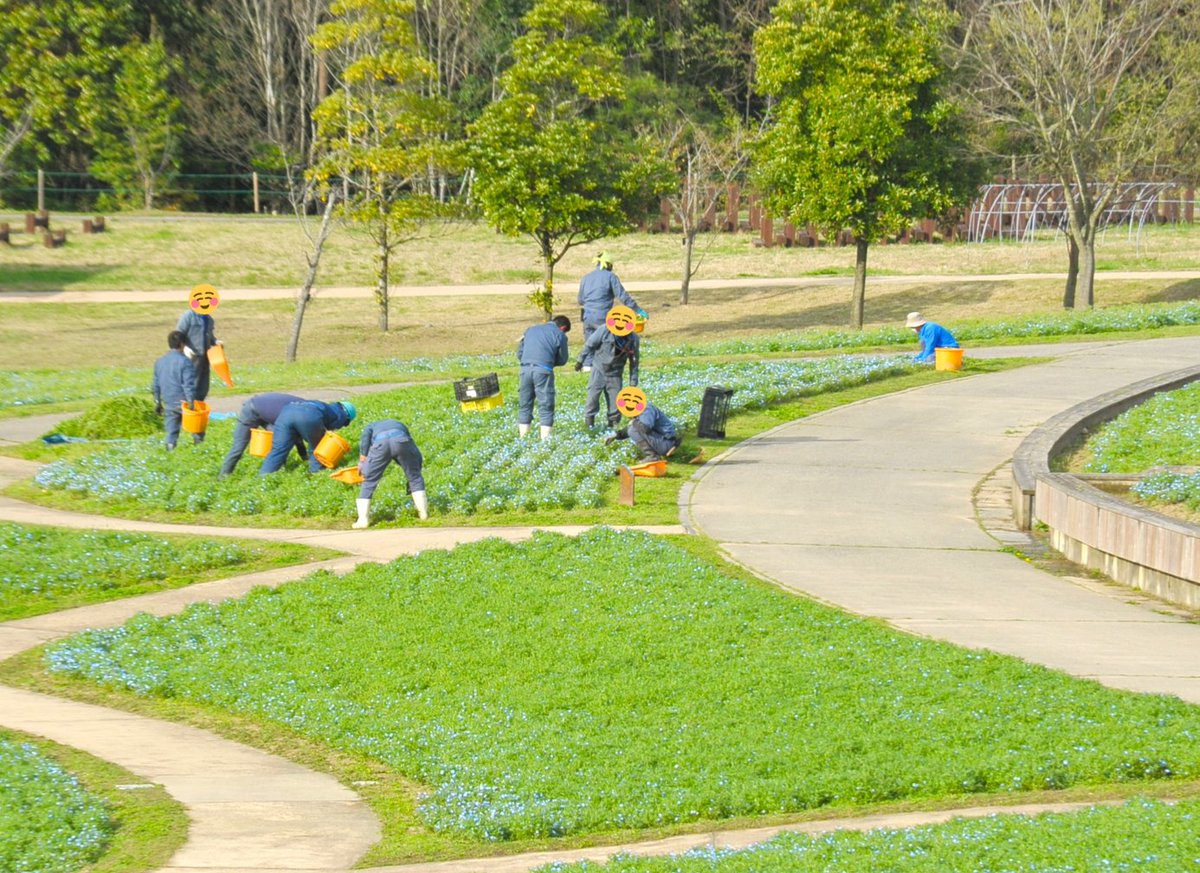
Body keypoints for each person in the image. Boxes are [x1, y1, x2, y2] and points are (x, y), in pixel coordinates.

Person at [353, 419, 427, 528]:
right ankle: (423, 514)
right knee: (414, 477)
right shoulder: (400, 424)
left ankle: (363, 520)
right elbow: (413, 451)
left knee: (369, 481)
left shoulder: (370, 426)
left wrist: (362, 462)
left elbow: (365, 441)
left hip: (380, 444)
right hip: (401, 440)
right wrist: (415, 468)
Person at [577, 252, 644, 369]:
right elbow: (623, 296)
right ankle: (606, 365)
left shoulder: (586, 278)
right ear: (608, 265)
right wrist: (638, 310)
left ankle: (587, 366)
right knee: (606, 341)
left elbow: (580, 300)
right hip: (602, 316)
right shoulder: (611, 277)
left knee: (590, 341)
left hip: (587, 316)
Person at [575, 314, 640, 429]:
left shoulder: (633, 339)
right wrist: (580, 360)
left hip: (615, 373)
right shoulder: (604, 330)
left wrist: (633, 383)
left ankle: (613, 427)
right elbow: (590, 344)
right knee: (592, 398)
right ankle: (589, 424)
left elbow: (634, 362)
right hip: (599, 369)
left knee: (615, 404)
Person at [219, 392, 307, 477]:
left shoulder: (307, 408)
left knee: (280, 441)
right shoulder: (303, 413)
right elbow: (297, 436)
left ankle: (278, 470)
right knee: (238, 447)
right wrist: (306, 459)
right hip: (251, 409)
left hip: (268, 412)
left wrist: (305, 458)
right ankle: (223, 476)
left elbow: (296, 437)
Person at [258, 399, 356, 475]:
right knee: (317, 448)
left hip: (286, 412)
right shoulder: (341, 413)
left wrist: (303, 454)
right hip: (309, 415)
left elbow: (297, 437)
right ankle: (317, 474)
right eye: (346, 423)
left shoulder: (325, 406)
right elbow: (328, 437)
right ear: (347, 416)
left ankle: (263, 477)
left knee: (278, 449)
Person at [517, 315, 571, 439]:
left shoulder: (530, 329)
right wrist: (549, 361)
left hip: (525, 369)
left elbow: (520, 353)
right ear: (563, 327)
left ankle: (523, 438)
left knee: (525, 404)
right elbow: (563, 359)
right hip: (543, 370)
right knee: (546, 405)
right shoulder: (559, 334)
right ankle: (545, 442)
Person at [151, 330, 199, 450]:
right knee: (196, 430)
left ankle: (170, 452)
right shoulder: (185, 362)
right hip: (183, 402)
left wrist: (157, 402)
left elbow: (156, 385)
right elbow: (188, 384)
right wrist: (191, 402)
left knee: (171, 433)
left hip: (168, 402)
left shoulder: (160, 362)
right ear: (182, 344)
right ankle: (199, 449)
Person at [177, 284, 221, 401]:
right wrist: (184, 348)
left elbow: (210, 336)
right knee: (191, 382)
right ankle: (186, 408)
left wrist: (216, 342)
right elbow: (178, 334)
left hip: (205, 357)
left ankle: (199, 406)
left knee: (203, 384)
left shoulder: (209, 319)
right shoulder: (188, 317)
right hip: (191, 357)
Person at [608, 402, 682, 461]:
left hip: (667, 442)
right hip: (663, 440)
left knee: (633, 430)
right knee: (633, 427)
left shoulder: (646, 409)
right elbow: (637, 426)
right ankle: (653, 456)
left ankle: (652, 456)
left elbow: (645, 429)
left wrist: (634, 421)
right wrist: (616, 435)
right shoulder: (641, 408)